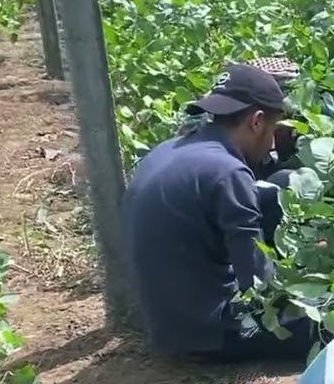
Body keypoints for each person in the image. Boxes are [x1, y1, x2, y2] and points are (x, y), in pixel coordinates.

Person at [121, 63, 319, 363]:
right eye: (275, 130)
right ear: (257, 121)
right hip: (208, 331)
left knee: (281, 185)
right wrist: (312, 269)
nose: (273, 143)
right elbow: (258, 283)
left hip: (166, 319)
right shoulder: (227, 172)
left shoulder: (171, 149)